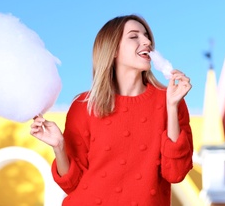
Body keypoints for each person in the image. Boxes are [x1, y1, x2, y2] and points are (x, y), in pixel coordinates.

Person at [30, 14, 193, 205]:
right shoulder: (84, 105)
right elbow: (72, 184)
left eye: (146, 35)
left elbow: (175, 173)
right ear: (113, 49)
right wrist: (59, 146)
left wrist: (172, 107)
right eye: (134, 37)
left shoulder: (171, 100)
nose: (147, 41)